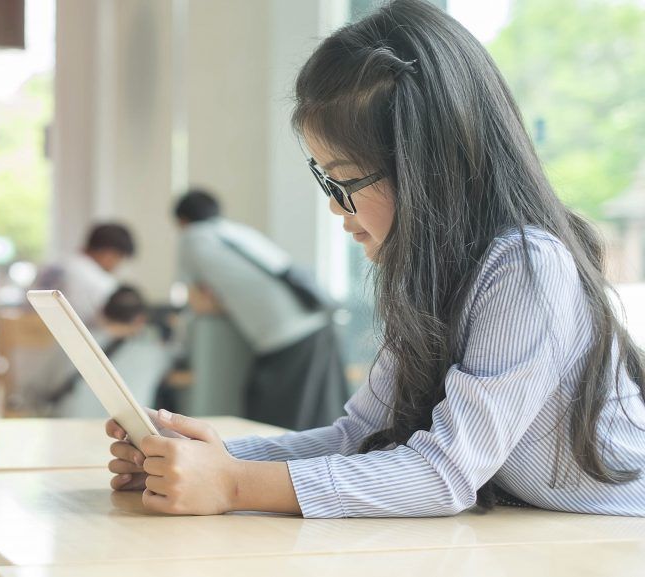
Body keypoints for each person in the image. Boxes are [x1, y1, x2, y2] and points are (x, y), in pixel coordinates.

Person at [103, 0, 645, 518]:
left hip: (615, 537)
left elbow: (444, 474)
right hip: (547, 533)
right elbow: (357, 438)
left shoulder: (526, 268)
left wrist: (232, 483)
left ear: (431, 168)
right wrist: (197, 460)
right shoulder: (429, 280)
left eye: (346, 180)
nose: (338, 209)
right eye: (326, 181)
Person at [174, 189, 347, 429]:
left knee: (272, 417)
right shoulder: (235, 232)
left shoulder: (192, 237)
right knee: (319, 411)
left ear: (182, 220)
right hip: (314, 320)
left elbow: (199, 303)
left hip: (283, 333)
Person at [45, 285, 170, 418]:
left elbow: (42, 385)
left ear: (102, 312)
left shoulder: (70, 341)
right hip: (124, 431)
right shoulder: (155, 353)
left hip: (68, 425)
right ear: (141, 319)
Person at [33, 222, 136, 323]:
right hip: (68, 337)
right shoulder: (101, 282)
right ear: (109, 253)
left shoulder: (53, 265)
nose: (117, 266)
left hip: (29, 333)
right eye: (119, 259)